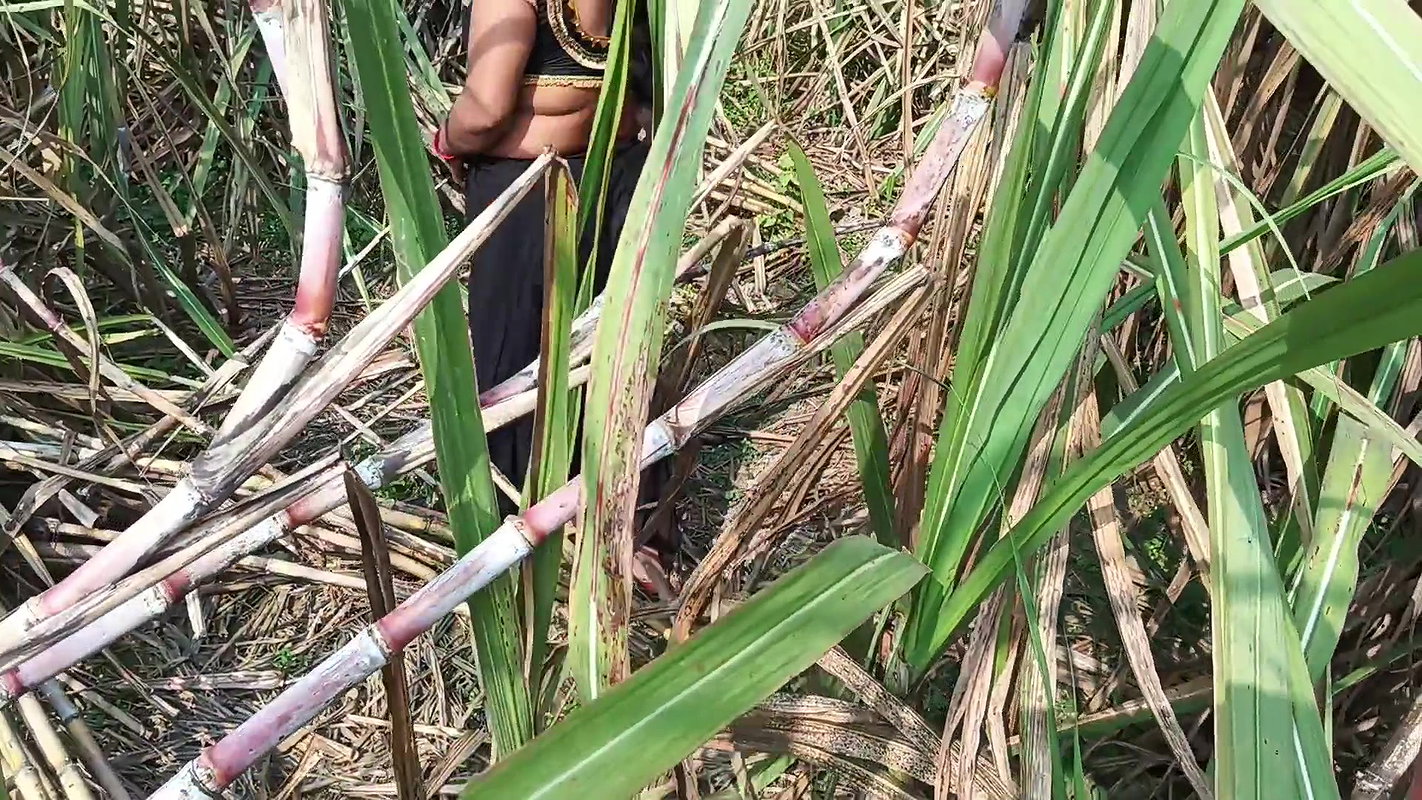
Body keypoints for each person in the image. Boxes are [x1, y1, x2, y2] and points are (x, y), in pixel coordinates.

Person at [431, 0, 669, 548]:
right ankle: (617, 510)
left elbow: (486, 110)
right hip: (619, 178)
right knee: (606, 344)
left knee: (514, 353)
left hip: (530, 193)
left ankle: (516, 515)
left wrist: (447, 140)